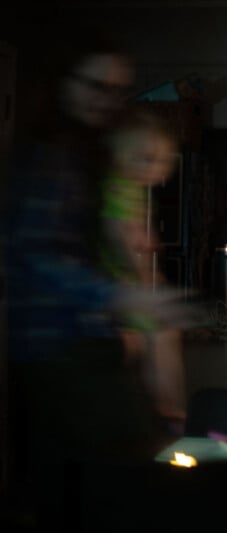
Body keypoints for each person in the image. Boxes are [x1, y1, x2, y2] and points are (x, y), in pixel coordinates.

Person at [3, 28, 181, 529]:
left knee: (92, 481)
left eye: (116, 90)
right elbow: (32, 252)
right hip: (58, 346)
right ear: (64, 82)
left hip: (80, 341)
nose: (107, 101)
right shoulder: (50, 155)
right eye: (94, 86)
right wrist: (118, 292)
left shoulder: (85, 155)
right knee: (119, 474)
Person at [100, 108, 187, 433]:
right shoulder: (122, 189)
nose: (157, 168)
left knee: (161, 335)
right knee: (162, 335)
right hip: (120, 286)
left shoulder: (131, 189)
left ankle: (165, 409)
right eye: (146, 159)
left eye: (162, 160)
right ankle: (171, 411)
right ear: (123, 155)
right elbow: (125, 240)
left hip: (125, 286)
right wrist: (147, 282)